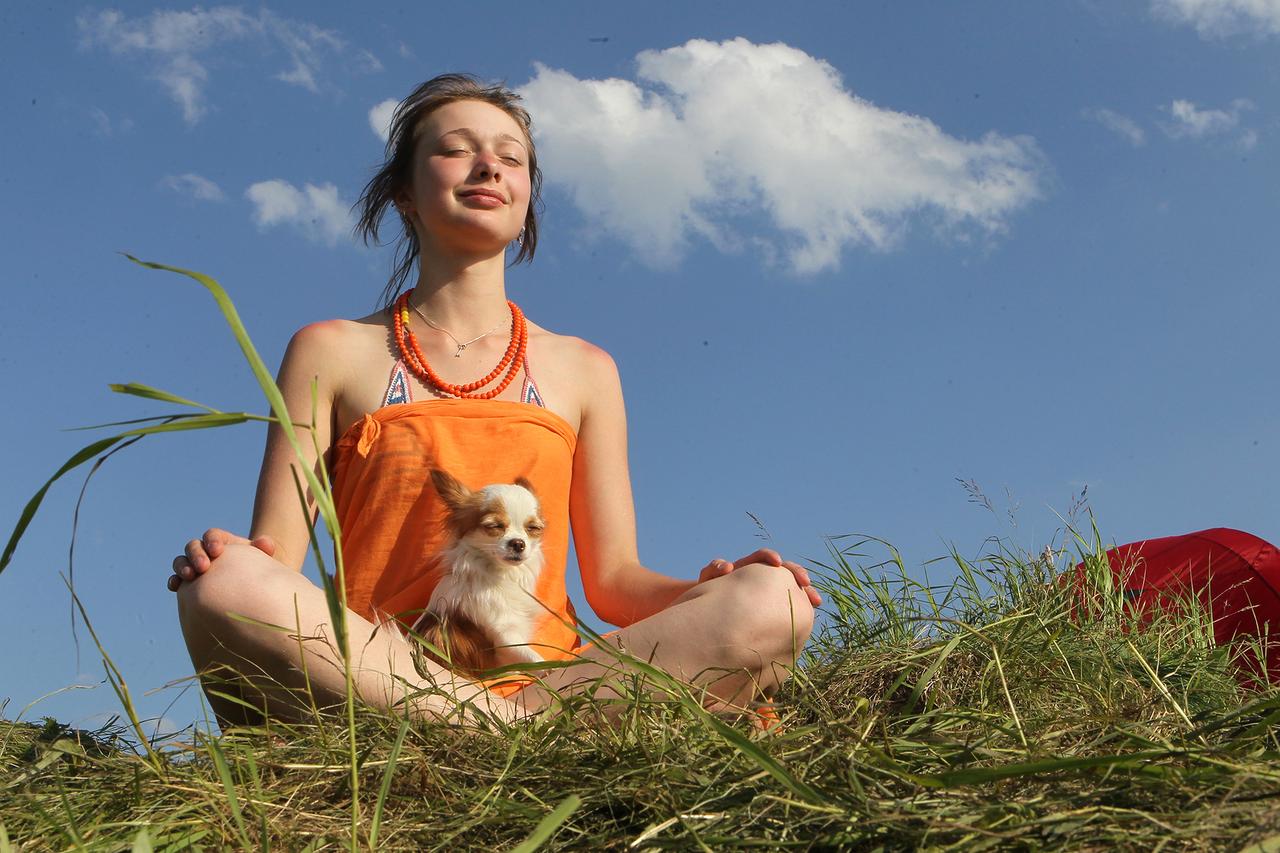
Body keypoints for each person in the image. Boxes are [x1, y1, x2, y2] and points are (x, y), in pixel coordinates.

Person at [168, 73, 819, 728]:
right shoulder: (330, 349)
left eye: (512, 157)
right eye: (457, 149)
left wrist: (706, 590)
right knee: (224, 587)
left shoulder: (585, 368)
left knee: (777, 600)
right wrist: (231, 559)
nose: (489, 166)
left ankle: (497, 730)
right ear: (404, 193)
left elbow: (615, 582)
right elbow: (273, 551)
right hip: (386, 677)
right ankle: (513, 738)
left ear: (526, 196)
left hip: (552, 682)